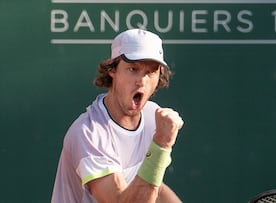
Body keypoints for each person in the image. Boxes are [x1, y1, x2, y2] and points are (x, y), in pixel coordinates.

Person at [51, 29, 184, 203]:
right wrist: (161, 144)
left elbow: (153, 189)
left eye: (150, 72)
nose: (141, 81)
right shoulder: (88, 133)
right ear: (112, 70)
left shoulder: (153, 117)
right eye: (133, 69)